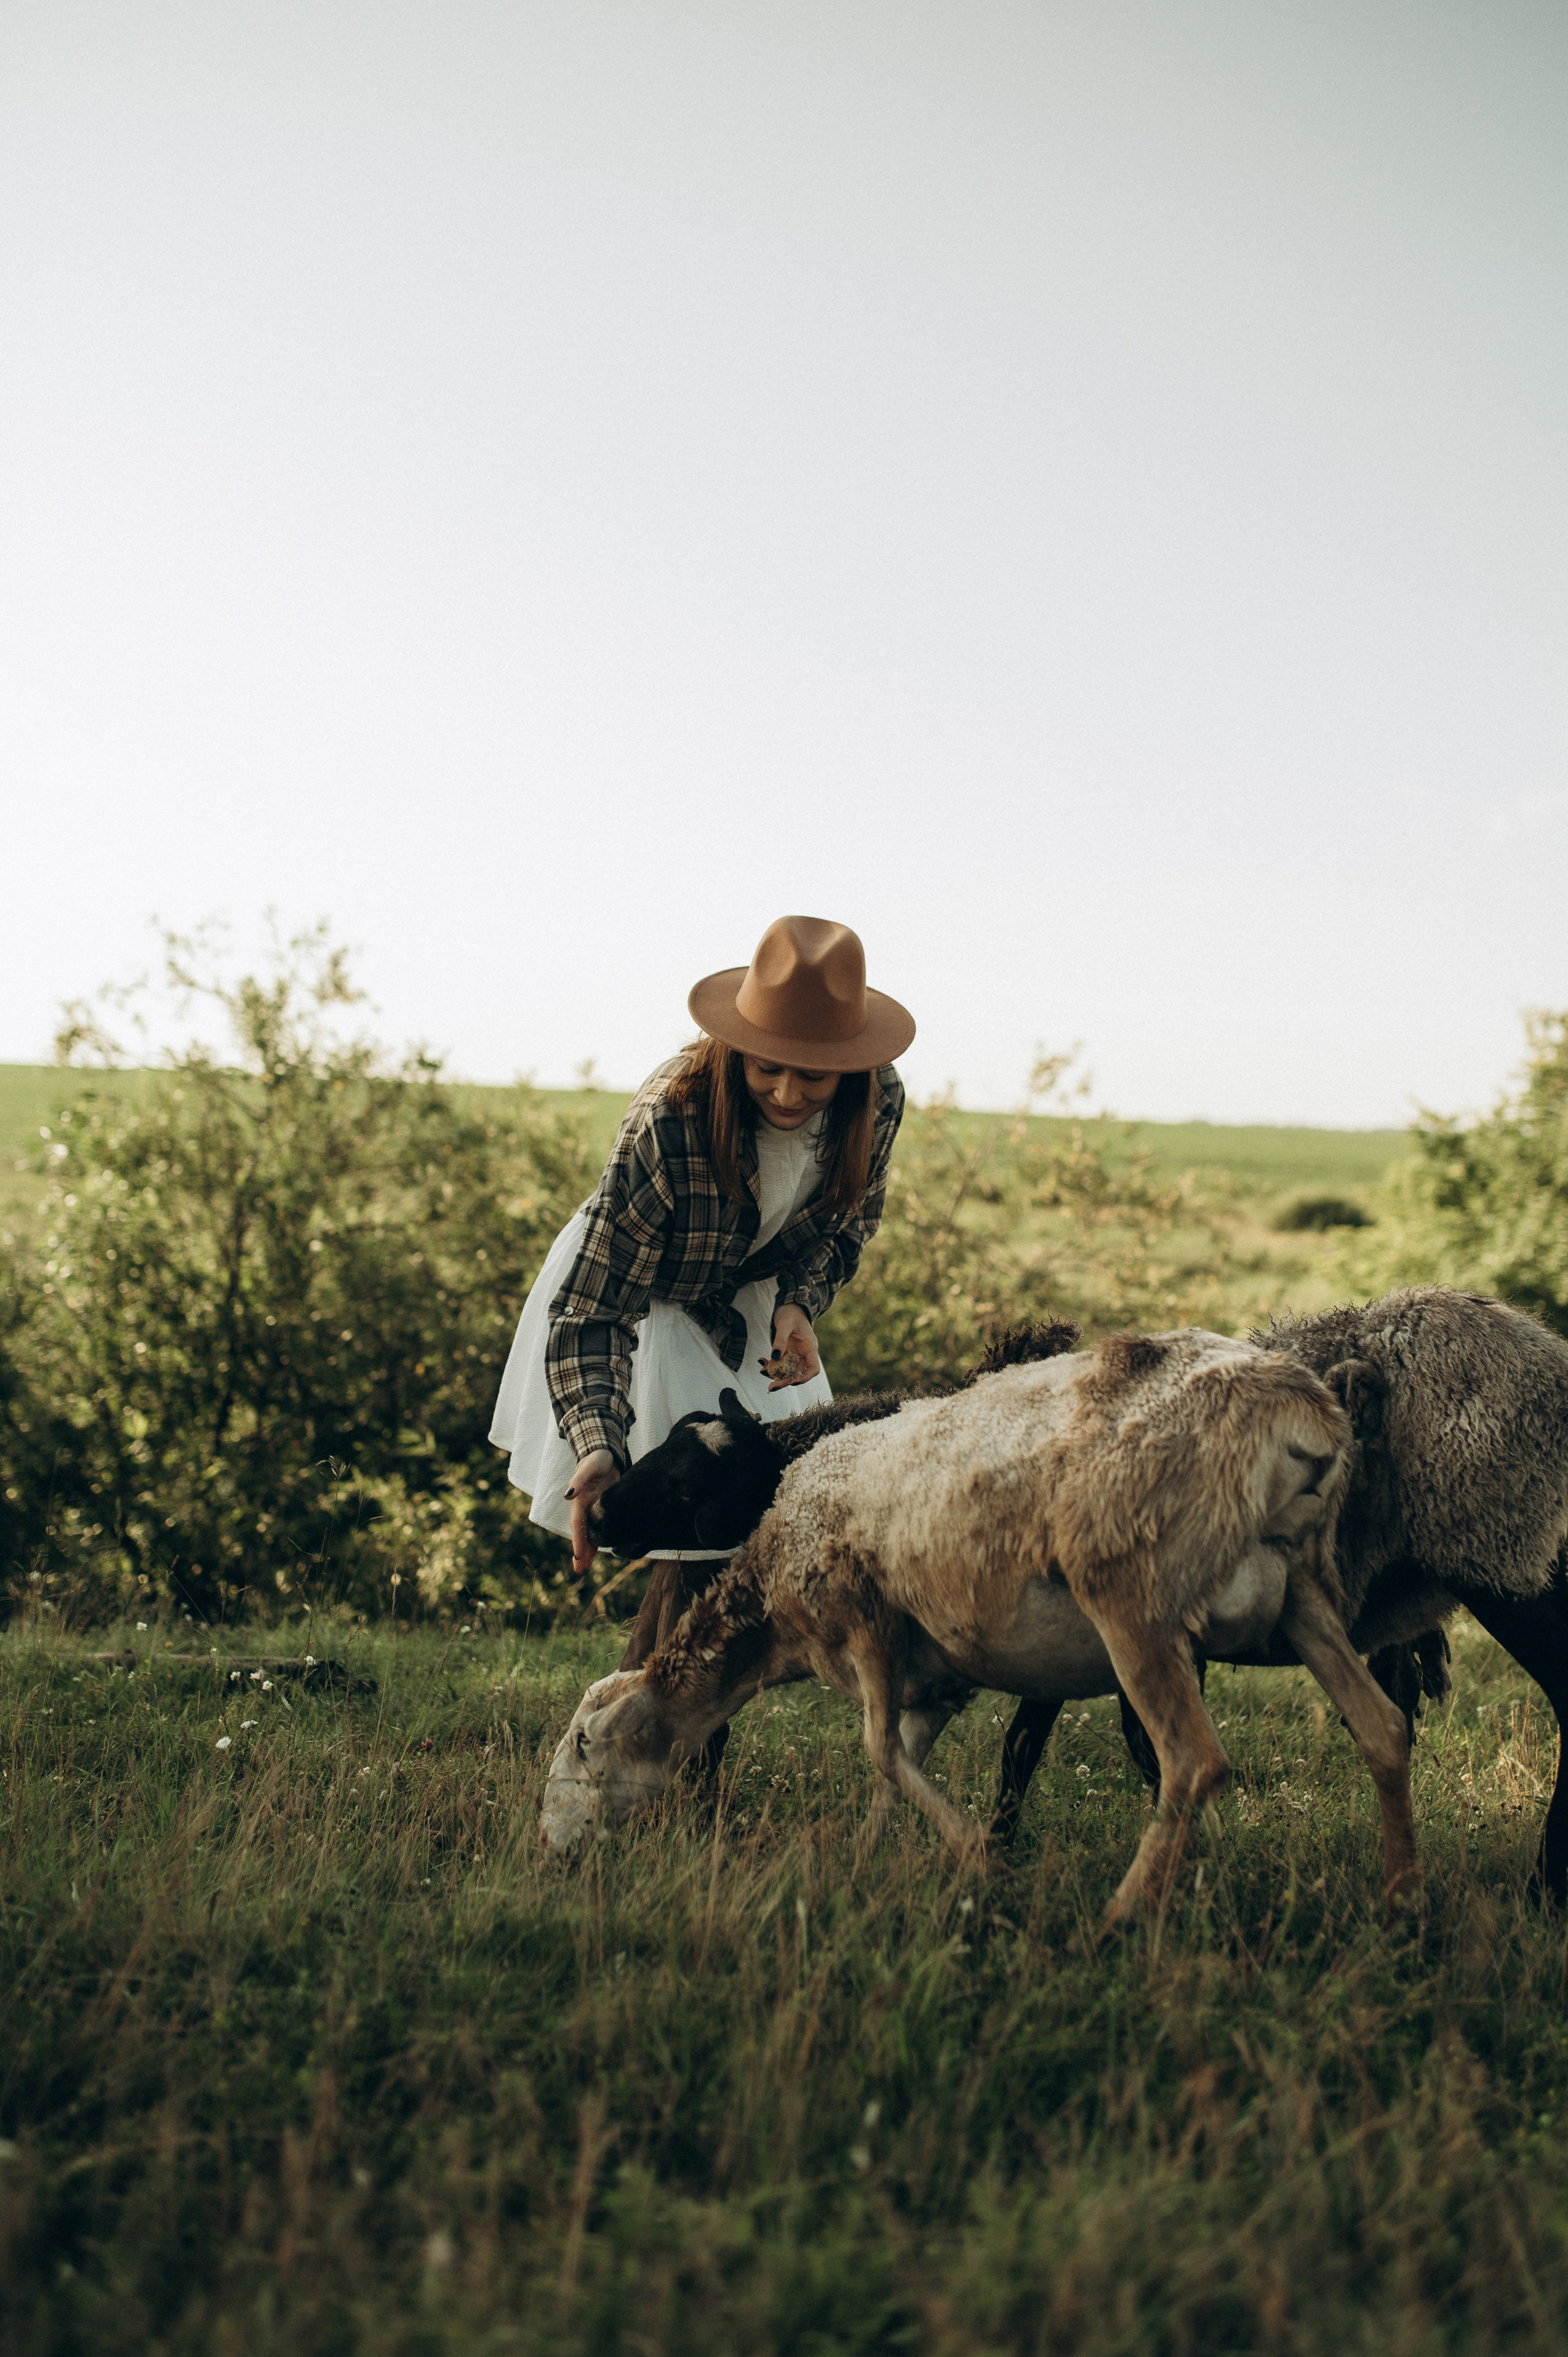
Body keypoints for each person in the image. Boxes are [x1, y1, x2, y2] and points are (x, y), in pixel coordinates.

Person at [489, 913, 914, 1676]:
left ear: (850, 1069)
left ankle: (657, 1723)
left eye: (812, 1076)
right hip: (640, 1295)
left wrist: (797, 1302)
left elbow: (847, 1226)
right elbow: (597, 1306)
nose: (787, 1091)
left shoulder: (878, 1101)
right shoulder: (670, 1115)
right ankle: (653, 1734)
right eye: (766, 1068)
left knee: (745, 1534)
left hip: (750, 1301)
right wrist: (598, 1442)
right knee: (693, 1538)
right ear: (735, 1049)